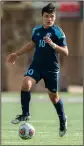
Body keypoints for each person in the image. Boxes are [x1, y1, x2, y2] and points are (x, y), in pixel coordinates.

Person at [7, 3, 69, 137]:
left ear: (55, 17)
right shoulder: (36, 30)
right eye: (47, 16)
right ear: (42, 17)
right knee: (25, 84)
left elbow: (65, 52)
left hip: (51, 70)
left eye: (52, 16)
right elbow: (32, 44)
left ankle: (62, 119)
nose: (49, 19)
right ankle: (25, 114)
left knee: (54, 98)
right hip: (36, 66)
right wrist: (17, 54)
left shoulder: (58, 32)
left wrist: (53, 45)